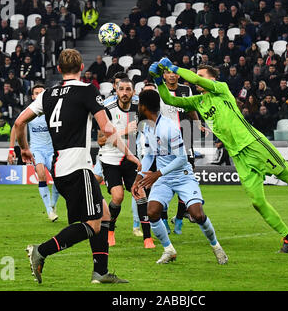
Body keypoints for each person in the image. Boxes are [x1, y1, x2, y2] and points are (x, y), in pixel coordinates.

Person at [150, 58, 288, 253]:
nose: (197, 80)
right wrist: (158, 80)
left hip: (253, 144)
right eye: (197, 76)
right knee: (257, 202)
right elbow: (170, 100)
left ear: (212, 79)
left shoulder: (221, 89)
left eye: (201, 76)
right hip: (238, 156)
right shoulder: (198, 101)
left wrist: (174, 68)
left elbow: (195, 80)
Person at [14, 49, 138, 284]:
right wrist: (129, 154)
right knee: (92, 224)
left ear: (59, 69)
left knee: (105, 213)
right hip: (77, 166)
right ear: (82, 68)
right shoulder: (87, 90)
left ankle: (100, 272)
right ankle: (41, 251)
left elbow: (19, 122)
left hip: (60, 166)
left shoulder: (47, 94)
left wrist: (24, 148)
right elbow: (108, 129)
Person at [131, 89, 228, 265]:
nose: (138, 106)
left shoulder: (169, 127)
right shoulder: (146, 127)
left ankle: (217, 247)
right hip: (163, 179)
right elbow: (150, 156)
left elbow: (182, 159)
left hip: (182, 176)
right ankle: (169, 250)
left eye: (139, 104)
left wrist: (157, 174)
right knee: (152, 212)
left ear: (143, 107)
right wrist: (138, 179)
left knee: (197, 215)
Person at [97, 78, 154, 249]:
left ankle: (147, 238)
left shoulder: (139, 110)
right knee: (118, 197)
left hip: (131, 160)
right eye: (121, 89)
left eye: (128, 89)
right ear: (116, 90)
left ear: (133, 92)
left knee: (140, 194)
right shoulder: (108, 110)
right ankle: (110, 230)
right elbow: (100, 140)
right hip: (110, 160)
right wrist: (124, 131)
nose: (124, 93)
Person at [8, 84, 60, 222]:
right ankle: (49, 211)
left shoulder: (51, 111)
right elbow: (15, 127)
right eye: (36, 93)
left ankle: (53, 205)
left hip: (52, 150)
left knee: (59, 179)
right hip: (36, 150)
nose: (38, 95)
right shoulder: (29, 112)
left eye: (41, 92)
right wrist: (11, 149)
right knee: (41, 175)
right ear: (32, 96)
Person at [160, 69, 202, 235]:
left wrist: (197, 122)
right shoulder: (159, 91)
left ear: (178, 76)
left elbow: (191, 108)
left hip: (185, 140)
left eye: (174, 73)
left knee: (187, 177)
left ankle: (178, 218)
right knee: (163, 181)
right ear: (164, 76)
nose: (171, 75)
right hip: (164, 142)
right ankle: (163, 219)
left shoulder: (186, 90)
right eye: (168, 73)